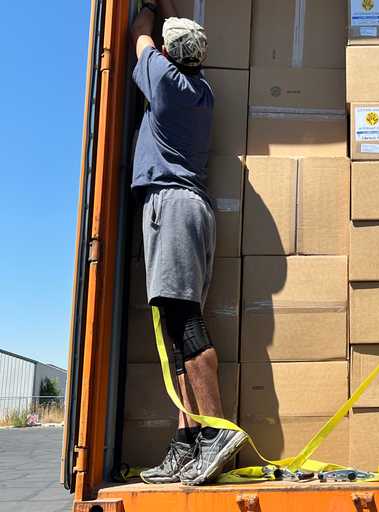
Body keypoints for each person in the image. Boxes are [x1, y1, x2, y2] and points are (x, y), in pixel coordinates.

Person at [130, 0, 247, 485]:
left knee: (183, 319)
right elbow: (159, 42)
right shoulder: (202, 90)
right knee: (176, 327)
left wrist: (149, 10)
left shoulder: (164, 81)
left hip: (172, 207)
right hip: (191, 208)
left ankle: (217, 430)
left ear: (169, 53)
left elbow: (140, 35)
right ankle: (189, 439)